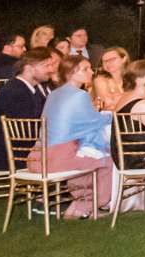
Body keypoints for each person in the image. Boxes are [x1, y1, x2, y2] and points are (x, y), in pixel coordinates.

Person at [35, 54, 117, 217]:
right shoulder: (80, 95)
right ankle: (88, 205)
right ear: (72, 72)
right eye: (85, 69)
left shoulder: (54, 93)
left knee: (87, 155)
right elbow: (93, 121)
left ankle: (81, 204)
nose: (91, 73)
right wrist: (112, 116)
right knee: (106, 160)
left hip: (38, 155)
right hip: (58, 157)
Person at [0, 47, 60, 172]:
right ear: (29, 68)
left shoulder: (25, 88)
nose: (52, 70)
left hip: (12, 152)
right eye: (47, 66)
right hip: (5, 158)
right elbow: (27, 132)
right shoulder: (16, 92)